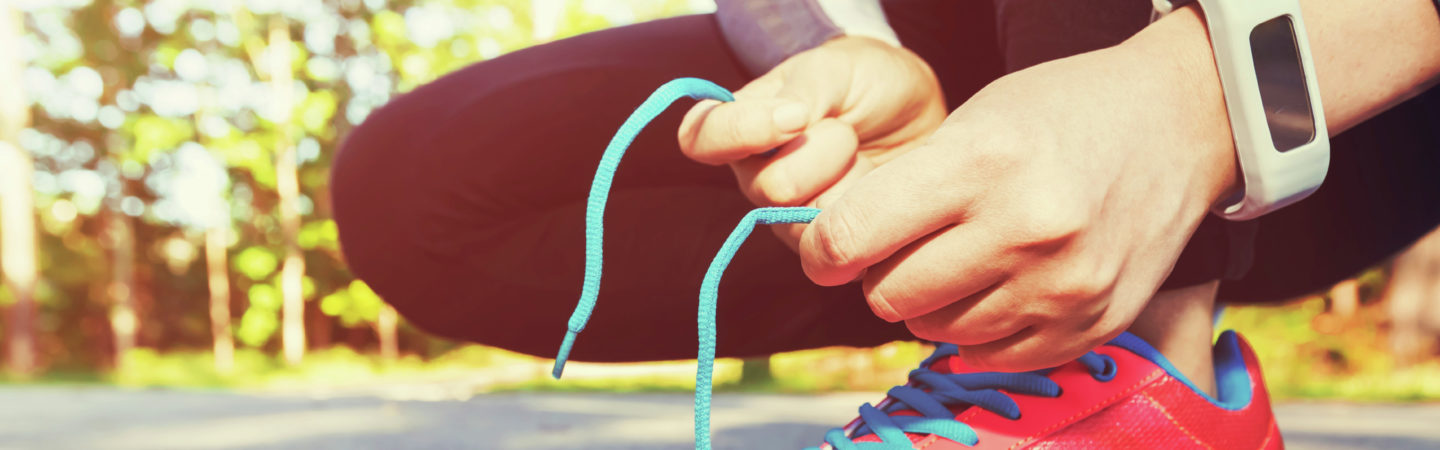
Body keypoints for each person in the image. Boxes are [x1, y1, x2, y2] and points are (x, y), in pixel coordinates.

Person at [332, 0, 1440, 447]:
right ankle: (986, 309)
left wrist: (1196, 102)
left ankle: (1132, 377)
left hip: (1350, 88)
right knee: (421, 191)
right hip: (975, 39)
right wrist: (861, 79)